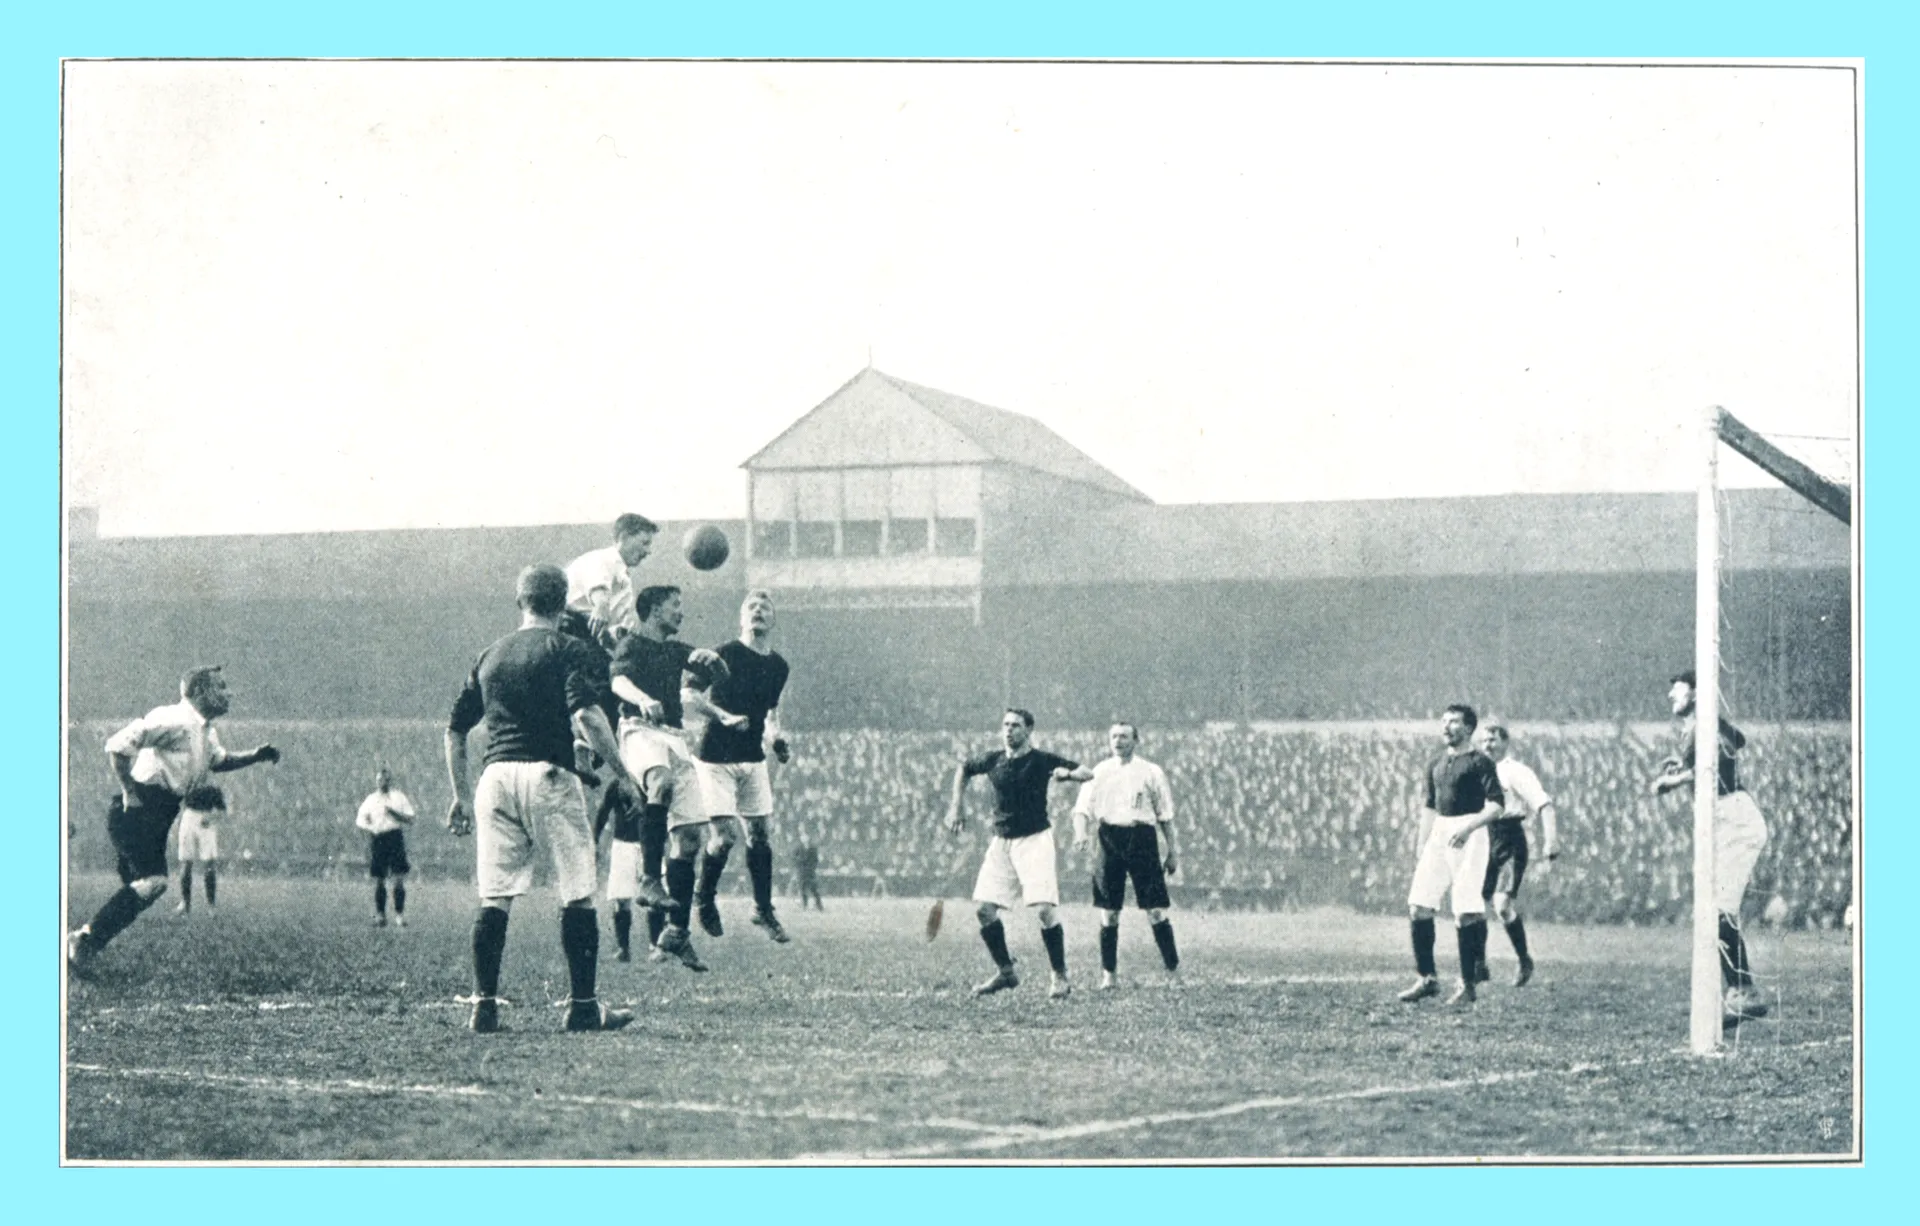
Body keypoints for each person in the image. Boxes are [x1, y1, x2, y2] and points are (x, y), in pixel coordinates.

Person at [443, 564, 636, 1034]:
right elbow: (588, 715)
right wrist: (623, 773)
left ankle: (483, 1007)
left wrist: (459, 796)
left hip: (494, 778)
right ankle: (584, 1007)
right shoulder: (567, 647)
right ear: (564, 601)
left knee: (495, 897)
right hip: (548, 773)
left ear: (519, 600)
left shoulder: (490, 654)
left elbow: (453, 729)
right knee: (577, 890)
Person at [68, 667, 281, 974]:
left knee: (147, 886)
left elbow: (219, 761)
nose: (229, 693)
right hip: (138, 810)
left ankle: (85, 941)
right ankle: (82, 941)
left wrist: (256, 755)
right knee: (151, 883)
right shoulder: (173, 719)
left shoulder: (205, 730)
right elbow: (117, 745)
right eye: (221, 687)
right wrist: (130, 791)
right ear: (200, 692)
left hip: (159, 814)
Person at [607, 584, 724, 970]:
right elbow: (617, 682)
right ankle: (648, 880)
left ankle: (676, 932)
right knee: (660, 783)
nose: (681, 613)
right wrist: (641, 698)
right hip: (639, 728)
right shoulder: (632, 644)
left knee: (690, 839)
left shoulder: (675, 650)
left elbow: (707, 666)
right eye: (676, 606)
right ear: (654, 610)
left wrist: (715, 663)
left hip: (675, 737)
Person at [946, 708, 1093, 1000]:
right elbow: (964, 768)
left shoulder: (1041, 760)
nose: (1009, 730)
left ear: (1028, 730)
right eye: (1005, 725)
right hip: (1001, 842)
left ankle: (1059, 976)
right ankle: (1006, 971)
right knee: (984, 910)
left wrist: (1068, 775)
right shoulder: (993, 760)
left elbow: (1086, 772)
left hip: (1035, 840)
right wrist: (956, 806)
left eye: (1015, 725)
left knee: (1043, 909)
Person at [1652, 669, 1771, 1027]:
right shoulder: (1701, 727)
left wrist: (1673, 780)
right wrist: (1683, 765)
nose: (1672, 697)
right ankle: (1739, 991)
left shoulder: (1704, 724)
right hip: (1725, 820)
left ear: (1696, 694)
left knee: (1718, 910)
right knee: (1714, 910)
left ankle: (1743, 992)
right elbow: (1738, 741)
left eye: (1678, 691)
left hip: (1734, 818)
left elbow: (1717, 761)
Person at [686, 589, 793, 944]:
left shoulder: (779, 666)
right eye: (752, 606)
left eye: (765, 607)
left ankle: (762, 910)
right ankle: (704, 899)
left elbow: (771, 715)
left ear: (773, 620)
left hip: (753, 758)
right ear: (742, 618)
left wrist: (775, 739)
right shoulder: (724, 654)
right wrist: (723, 716)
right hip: (715, 756)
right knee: (724, 838)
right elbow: (689, 695)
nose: (758, 611)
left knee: (760, 835)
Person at [1398, 703, 1506, 1006]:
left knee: (1466, 910)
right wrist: (1423, 844)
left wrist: (1469, 828)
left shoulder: (1480, 762)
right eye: (1444, 721)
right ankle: (1427, 979)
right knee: (1419, 905)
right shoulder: (1436, 763)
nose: (1446, 726)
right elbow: (1430, 807)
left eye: (1454, 722)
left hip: (1470, 834)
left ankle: (1467, 985)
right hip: (1440, 834)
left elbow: (1496, 805)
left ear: (1469, 729)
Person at [1070, 722, 1182, 989]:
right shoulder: (1099, 771)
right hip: (1109, 839)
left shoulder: (1151, 771)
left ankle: (1173, 971)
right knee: (1109, 912)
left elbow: (1165, 815)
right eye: (1114, 736)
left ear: (1136, 740)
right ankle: (1109, 976)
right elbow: (1081, 809)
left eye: (1124, 736)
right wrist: (1081, 834)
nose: (1118, 741)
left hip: (1142, 839)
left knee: (1155, 910)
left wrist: (1172, 851)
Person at [1471, 723, 1559, 986]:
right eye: (1484, 740)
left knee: (1501, 905)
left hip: (1509, 840)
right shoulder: (1476, 770)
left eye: (1493, 740)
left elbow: (1544, 804)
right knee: (1473, 904)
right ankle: (1479, 965)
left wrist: (1551, 841)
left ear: (1505, 742)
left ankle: (1524, 961)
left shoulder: (1515, 771)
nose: (1488, 745)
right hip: (1484, 838)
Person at [564, 512, 658, 644]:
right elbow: (598, 589)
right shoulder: (602, 559)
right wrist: (601, 606)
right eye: (645, 543)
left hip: (593, 637)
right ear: (624, 537)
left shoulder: (622, 575)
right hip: (574, 630)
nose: (648, 551)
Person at [355, 767, 417, 928]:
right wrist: (369, 825)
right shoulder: (371, 800)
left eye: (386, 779)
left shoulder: (399, 797)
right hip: (378, 838)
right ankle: (381, 916)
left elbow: (410, 818)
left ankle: (399, 915)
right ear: (376, 782)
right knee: (379, 879)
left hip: (394, 837)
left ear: (390, 780)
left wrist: (394, 814)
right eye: (380, 780)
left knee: (398, 879)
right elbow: (360, 820)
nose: (383, 782)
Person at [172, 783, 226, 915]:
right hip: (188, 817)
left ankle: (211, 906)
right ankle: (185, 903)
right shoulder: (189, 779)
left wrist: (211, 816)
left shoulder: (212, 784)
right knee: (185, 862)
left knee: (209, 863)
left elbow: (223, 810)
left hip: (206, 818)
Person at [795, 840, 823, 911]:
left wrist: (813, 868)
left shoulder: (813, 848)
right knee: (803, 889)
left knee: (814, 890)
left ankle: (819, 906)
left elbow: (815, 860)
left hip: (810, 872)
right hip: (803, 872)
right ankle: (805, 905)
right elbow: (795, 859)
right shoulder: (799, 848)